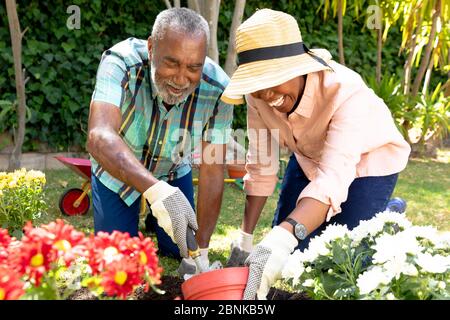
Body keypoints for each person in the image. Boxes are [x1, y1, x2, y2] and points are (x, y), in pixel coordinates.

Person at [220, 9, 411, 300]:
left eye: (274, 79)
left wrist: (283, 238)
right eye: (257, 84)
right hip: (311, 158)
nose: (267, 93)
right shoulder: (257, 95)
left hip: (369, 159)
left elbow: (333, 178)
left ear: (298, 67)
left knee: (342, 261)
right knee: (290, 256)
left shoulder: (346, 93)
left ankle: (385, 215)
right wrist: (245, 240)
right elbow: (261, 166)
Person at [87, 8, 233, 276]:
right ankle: (153, 205)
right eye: (172, 63)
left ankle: (158, 217)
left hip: (174, 171)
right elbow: (100, 137)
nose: (181, 79)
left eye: (193, 67)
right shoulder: (120, 62)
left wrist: (201, 250)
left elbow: (213, 168)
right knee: (119, 263)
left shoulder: (220, 89)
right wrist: (155, 190)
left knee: (180, 250)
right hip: (117, 172)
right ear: (152, 48)